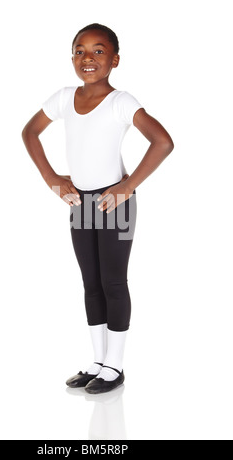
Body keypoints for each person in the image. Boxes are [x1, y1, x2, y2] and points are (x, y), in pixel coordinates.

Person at [21, 23, 174, 394]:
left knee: (113, 282)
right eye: (80, 50)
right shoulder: (63, 97)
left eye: (98, 51)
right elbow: (29, 132)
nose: (87, 58)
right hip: (80, 201)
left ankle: (116, 367)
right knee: (91, 282)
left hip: (114, 202)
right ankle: (98, 360)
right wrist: (50, 177)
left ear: (114, 59)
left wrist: (127, 185)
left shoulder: (121, 101)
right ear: (72, 57)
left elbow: (163, 142)